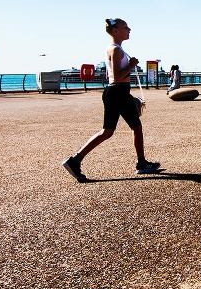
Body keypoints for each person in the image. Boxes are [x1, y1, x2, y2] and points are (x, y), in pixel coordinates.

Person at [63, 18, 157, 181]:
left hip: (116, 92)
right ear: (116, 31)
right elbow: (117, 76)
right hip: (118, 92)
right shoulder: (117, 50)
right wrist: (132, 65)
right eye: (125, 27)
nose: (129, 29)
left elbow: (109, 75)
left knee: (108, 131)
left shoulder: (113, 49)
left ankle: (75, 160)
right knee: (135, 127)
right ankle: (141, 163)